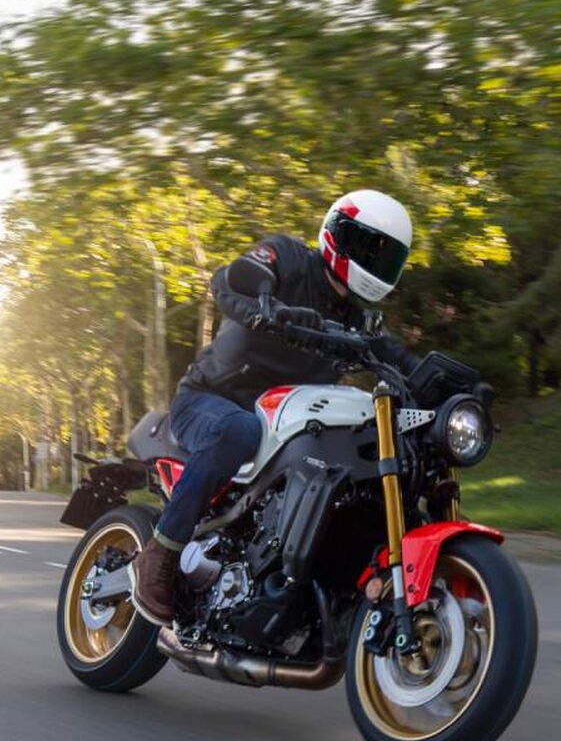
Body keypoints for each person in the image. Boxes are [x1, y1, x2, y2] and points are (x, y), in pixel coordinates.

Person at [132, 189, 423, 626]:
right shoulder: (287, 257)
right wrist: (267, 311)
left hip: (284, 422)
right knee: (239, 431)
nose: (374, 262)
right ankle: (160, 553)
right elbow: (230, 280)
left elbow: (398, 358)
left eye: (386, 257)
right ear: (338, 235)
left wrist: (449, 382)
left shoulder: (357, 320)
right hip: (212, 399)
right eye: (368, 248)